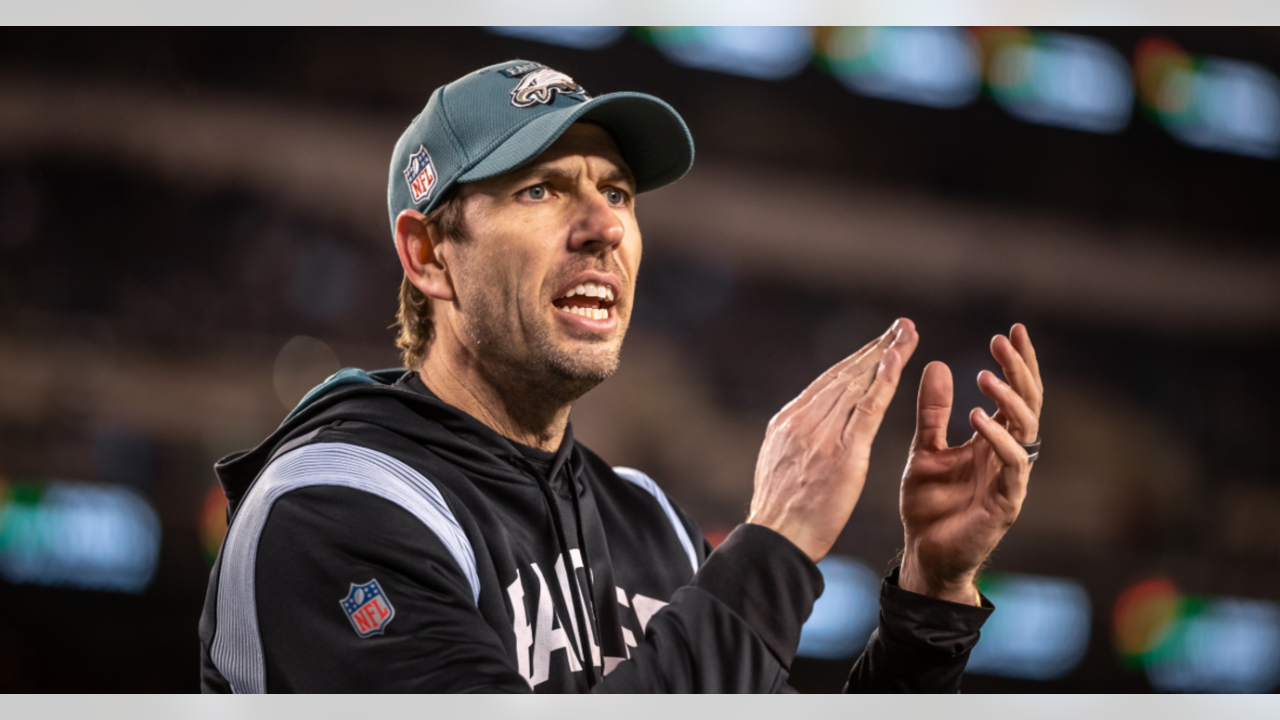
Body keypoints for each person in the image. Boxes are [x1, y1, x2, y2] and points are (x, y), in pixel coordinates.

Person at [198, 60, 1044, 694]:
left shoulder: (649, 522)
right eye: (541, 190)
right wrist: (774, 546)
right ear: (428, 255)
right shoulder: (328, 509)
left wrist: (930, 599)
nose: (605, 224)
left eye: (619, 191)